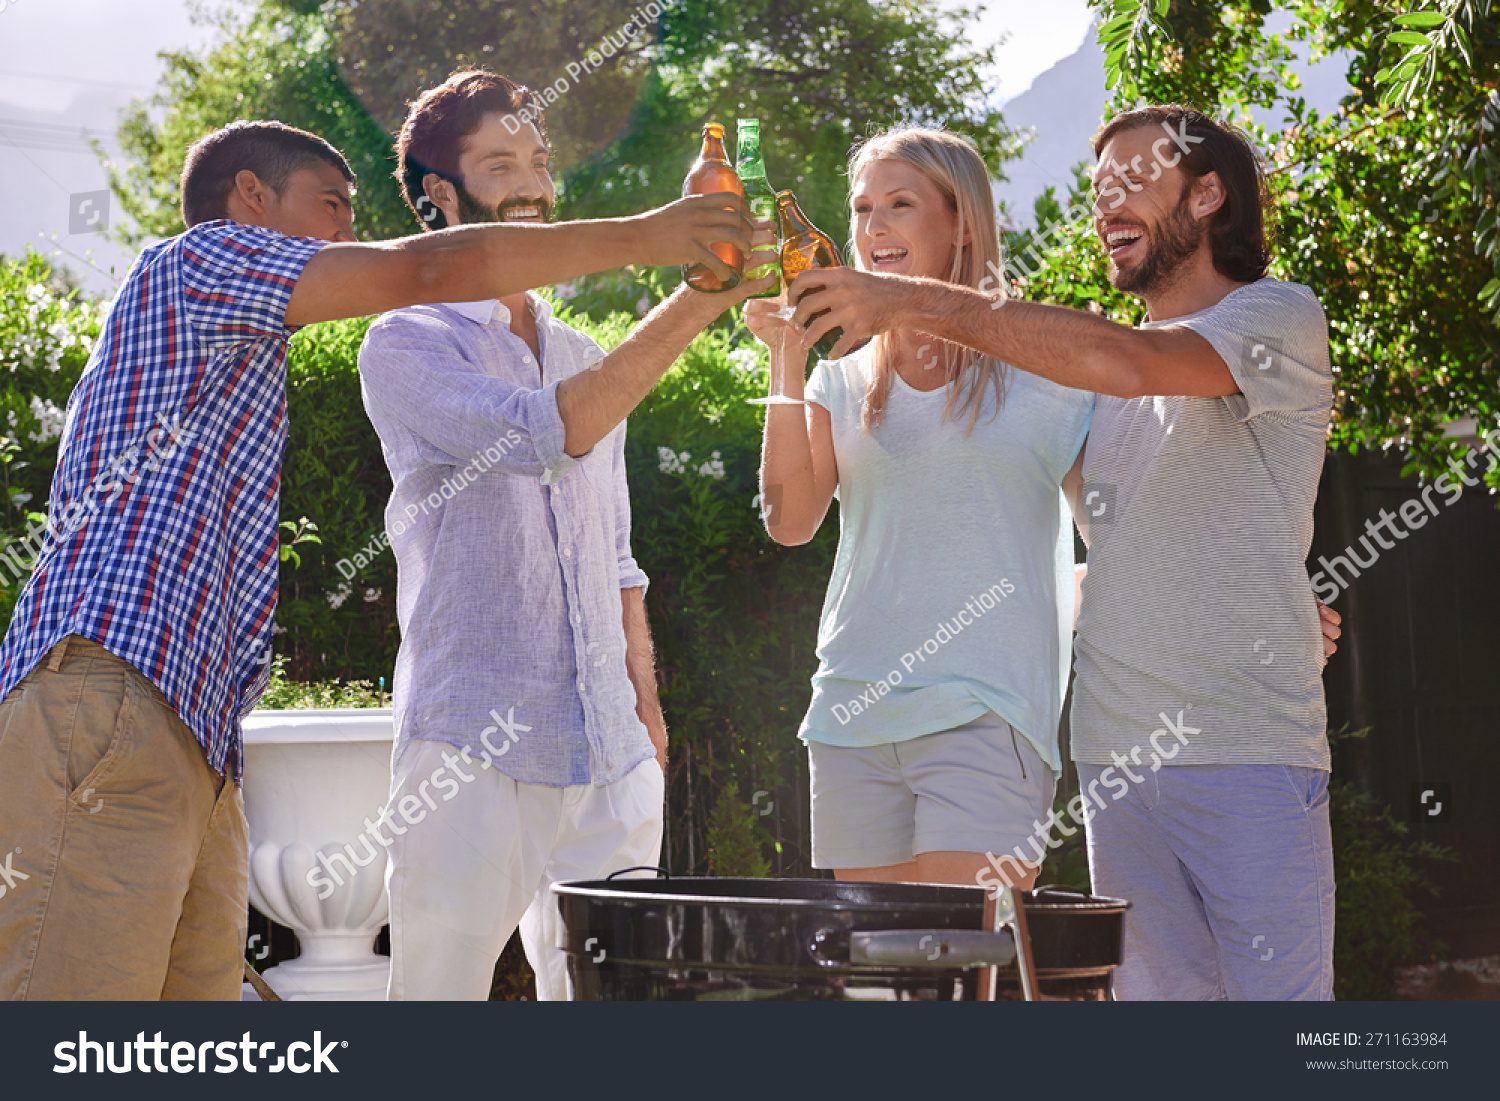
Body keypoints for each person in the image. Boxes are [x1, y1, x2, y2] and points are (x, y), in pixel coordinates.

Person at [0, 116, 754, 1001]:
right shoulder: (196, 263)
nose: (350, 237)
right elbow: (425, 269)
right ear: (251, 196)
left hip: (193, 735)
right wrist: (657, 237)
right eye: (332, 208)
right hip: (108, 689)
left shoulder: (237, 351)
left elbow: (614, 545)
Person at [783, 105, 1344, 1000]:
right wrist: (1269, 595)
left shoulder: (1275, 317)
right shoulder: (1089, 396)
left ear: (1208, 195)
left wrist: (908, 298)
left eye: (1133, 180)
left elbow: (1129, 360)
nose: (1105, 205)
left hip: (1247, 748)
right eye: (1096, 189)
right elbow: (1099, 548)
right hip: (1116, 759)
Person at [358, 71, 776, 1001]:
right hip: (471, 735)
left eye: (540, 163)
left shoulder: (584, 353)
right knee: (436, 998)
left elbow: (615, 548)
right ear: (439, 193)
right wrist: (702, 297)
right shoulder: (403, 342)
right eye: (501, 164)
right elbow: (549, 435)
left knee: (615, 1006)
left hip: (610, 744)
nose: (534, 186)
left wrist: (646, 708)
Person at [746, 127, 1091, 894]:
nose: (873, 228)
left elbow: (1120, 533)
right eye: (864, 208)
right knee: (877, 982)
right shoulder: (839, 378)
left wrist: (1255, 599)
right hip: (850, 715)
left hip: (986, 711)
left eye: (900, 205)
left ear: (962, 222)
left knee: (963, 970)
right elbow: (789, 520)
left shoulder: (1046, 371)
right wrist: (786, 355)